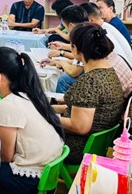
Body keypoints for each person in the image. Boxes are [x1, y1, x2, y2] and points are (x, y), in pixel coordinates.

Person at [0, 47, 65, 194]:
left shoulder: (8, 104)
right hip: (48, 175)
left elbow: (5, 156)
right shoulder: (29, 93)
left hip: (29, 184)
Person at [52, 23, 124, 164]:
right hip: (96, 145)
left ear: (75, 48)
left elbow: (79, 126)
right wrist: (47, 108)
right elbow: (83, 110)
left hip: (77, 148)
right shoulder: (108, 71)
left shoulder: (90, 82)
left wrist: (46, 116)